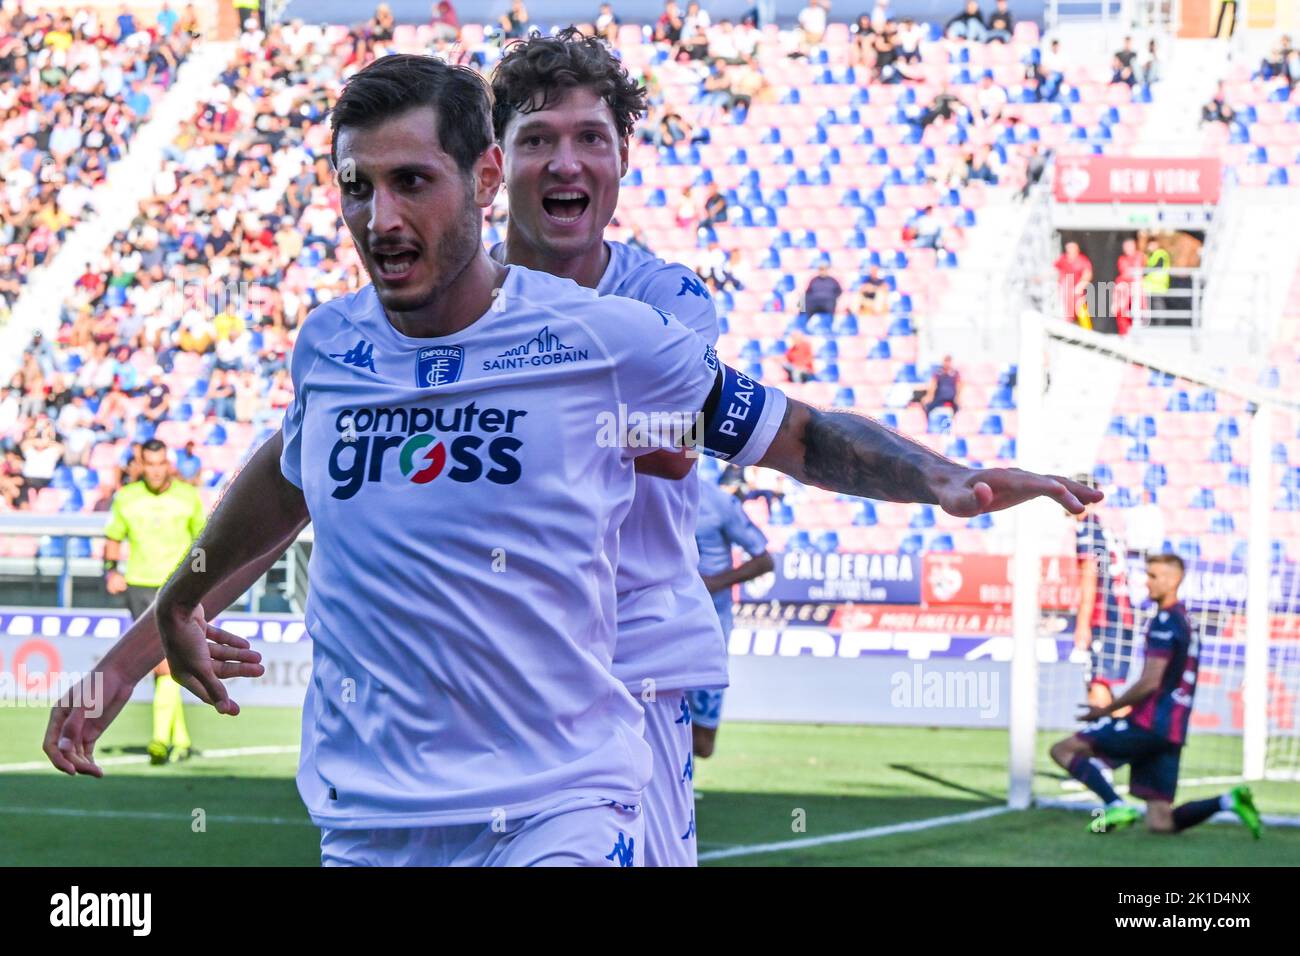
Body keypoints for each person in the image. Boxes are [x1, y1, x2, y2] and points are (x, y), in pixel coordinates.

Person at [45, 53, 1100, 868]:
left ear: (485, 174)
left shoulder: (636, 319)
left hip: (601, 716)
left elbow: (771, 430)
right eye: (357, 188)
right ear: (506, 164)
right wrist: (147, 636)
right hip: (376, 795)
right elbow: (291, 472)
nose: (381, 215)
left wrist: (941, 478)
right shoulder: (336, 345)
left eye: (587, 137)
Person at [1051, 554, 1262, 838]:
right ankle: (1228, 800)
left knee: (1063, 750)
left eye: (1153, 576)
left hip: (1148, 724)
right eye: (1147, 575)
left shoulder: (1164, 621)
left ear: (1173, 580)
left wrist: (1106, 709)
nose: (1146, 582)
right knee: (1161, 822)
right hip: (1172, 730)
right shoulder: (1185, 620)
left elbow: (1150, 681)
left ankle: (1114, 805)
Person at [103, 438, 205, 765]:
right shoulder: (127, 498)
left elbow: (203, 542)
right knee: (162, 665)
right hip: (139, 587)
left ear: (169, 464)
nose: (156, 470)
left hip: (177, 589)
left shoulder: (187, 498)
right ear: (141, 465)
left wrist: (204, 580)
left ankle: (160, 740)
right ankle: (181, 739)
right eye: (150, 464)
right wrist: (110, 571)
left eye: (162, 463)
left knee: (164, 663)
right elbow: (113, 538)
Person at [688, 477, 773, 758]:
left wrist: (714, 582)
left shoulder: (718, 502)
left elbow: (764, 560)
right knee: (656, 715)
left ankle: (682, 787)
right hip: (658, 621)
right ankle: (674, 792)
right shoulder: (645, 490)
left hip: (707, 629)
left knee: (703, 744)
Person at [1073, 492, 1135, 714]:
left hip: (1106, 618)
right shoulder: (1102, 530)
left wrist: (1082, 623)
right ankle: (1128, 738)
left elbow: (1092, 576)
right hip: (1121, 615)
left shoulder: (1087, 530)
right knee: (1103, 689)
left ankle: (1127, 740)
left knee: (1097, 689)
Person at [1053, 240, 1093, 326]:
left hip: (1077, 290)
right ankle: (1066, 327)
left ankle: (1087, 329)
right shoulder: (1062, 259)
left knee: (1080, 307)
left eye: (1073, 248)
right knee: (1065, 310)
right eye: (1069, 248)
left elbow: (1087, 274)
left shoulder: (1082, 260)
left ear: (1077, 249)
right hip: (1064, 289)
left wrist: (1080, 286)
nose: (1070, 250)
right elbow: (1053, 270)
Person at [1114, 236, 1144, 335]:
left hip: (1136, 289)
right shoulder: (1122, 259)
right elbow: (1125, 273)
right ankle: (1124, 334)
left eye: (1129, 246)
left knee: (1139, 311)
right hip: (1124, 289)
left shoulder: (1140, 256)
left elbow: (1136, 272)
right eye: (1125, 246)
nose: (1127, 249)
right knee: (1121, 310)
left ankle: (1135, 334)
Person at [921, 354, 962, 419]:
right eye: (946, 361)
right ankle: (928, 422)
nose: (947, 363)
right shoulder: (937, 373)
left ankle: (953, 423)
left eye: (949, 361)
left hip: (951, 399)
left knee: (958, 408)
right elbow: (933, 386)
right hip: (939, 398)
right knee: (927, 405)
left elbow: (959, 386)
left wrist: (957, 397)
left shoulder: (955, 373)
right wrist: (929, 396)